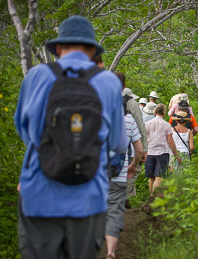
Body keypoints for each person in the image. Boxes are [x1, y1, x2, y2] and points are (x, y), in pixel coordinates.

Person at [14, 15, 126, 259]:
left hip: (40, 194)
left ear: (59, 48)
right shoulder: (108, 82)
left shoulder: (37, 76)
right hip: (88, 197)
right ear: (91, 49)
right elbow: (118, 142)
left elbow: (24, 130)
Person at [105, 112, 143, 259]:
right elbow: (139, 150)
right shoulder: (128, 120)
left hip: (94, 175)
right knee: (114, 212)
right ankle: (110, 251)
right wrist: (133, 166)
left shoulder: (91, 115)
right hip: (118, 174)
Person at [115, 74, 148, 209]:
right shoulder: (131, 103)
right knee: (130, 172)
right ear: (124, 85)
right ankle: (124, 199)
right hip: (128, 146)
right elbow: (141, 127)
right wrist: (144, 149)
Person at [145, 104, 181, 196]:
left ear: (155, 112)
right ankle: (153, 198)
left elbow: (144, 139)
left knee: (151, 178)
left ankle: (151, 197)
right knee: (159, 177)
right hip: (163, 153)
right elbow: (170, 142)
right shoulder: (167, 125)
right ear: (164, 113)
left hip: (149, 152)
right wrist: (176, 155)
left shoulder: (147, 124)